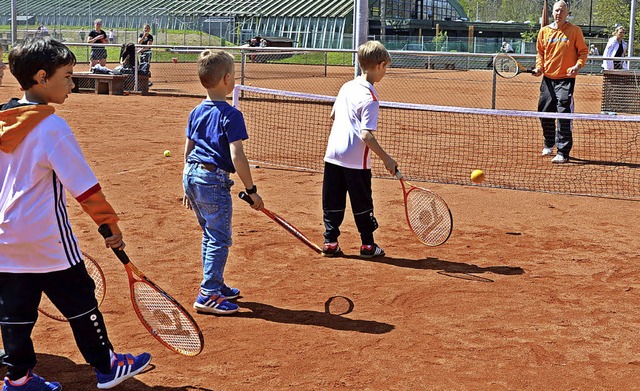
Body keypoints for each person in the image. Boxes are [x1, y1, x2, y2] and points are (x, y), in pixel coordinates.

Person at [0, 38, 151, 390]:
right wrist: (109, 226)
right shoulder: (52, 128)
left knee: (14, 312)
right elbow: (85, 189)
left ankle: (18, 379)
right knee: (81, 299)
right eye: (67, 76)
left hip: (5, 237)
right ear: (41, 77)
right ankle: (107, 365)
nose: (72, 83)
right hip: (46, 236)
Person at [183, 50, 264, 315]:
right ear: (228, 79)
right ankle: (208, 294)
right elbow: (237, 155)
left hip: (192, 175)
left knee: (210, 232)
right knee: (219, 237)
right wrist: (251, 190)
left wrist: (188, 186)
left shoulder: (196, 111)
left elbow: (188, 149)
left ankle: (214, 284)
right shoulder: (231, 114)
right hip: (212, 179)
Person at [321, 40, 397, 258]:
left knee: (332, 199)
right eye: (386, 67)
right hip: (356, 160)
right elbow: (366, 135)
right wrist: (387, 159)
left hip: (333, 154)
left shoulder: (347, 86)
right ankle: (367, 245)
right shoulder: (371, 97)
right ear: (380, 65)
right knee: (362, 202)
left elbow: (333, 115)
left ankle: (330, 242)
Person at [532, 0, 588, 164]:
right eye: (556, 10)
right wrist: (538, 68)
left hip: (566, 80)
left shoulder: (575, 31)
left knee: (563, 113)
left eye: (562, 11)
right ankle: (549, 142)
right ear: (553, 12)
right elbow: (540, 54)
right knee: (543, 112)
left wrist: (577, 66)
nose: (559, 13)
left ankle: (563, 152)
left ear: (567, 13)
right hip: (548, 80)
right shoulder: (544, 32)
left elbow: (583, 52)